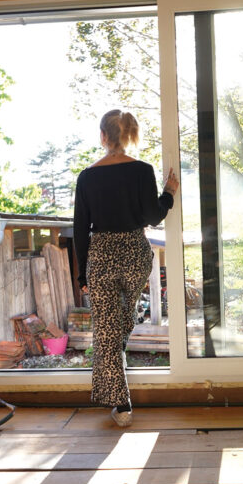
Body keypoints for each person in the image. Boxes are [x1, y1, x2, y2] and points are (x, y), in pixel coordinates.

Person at [73, 109, 179, 427]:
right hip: (135, 251)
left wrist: (82, 274)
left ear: (103, 137)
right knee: (116, 325)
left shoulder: (87, 177)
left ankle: (117, 396)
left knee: (111, 328)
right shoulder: (143, 171)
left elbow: (80, 229)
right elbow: (152, 216)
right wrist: (169, 193)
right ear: (129, 135)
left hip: (103, 254)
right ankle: (121, 401)